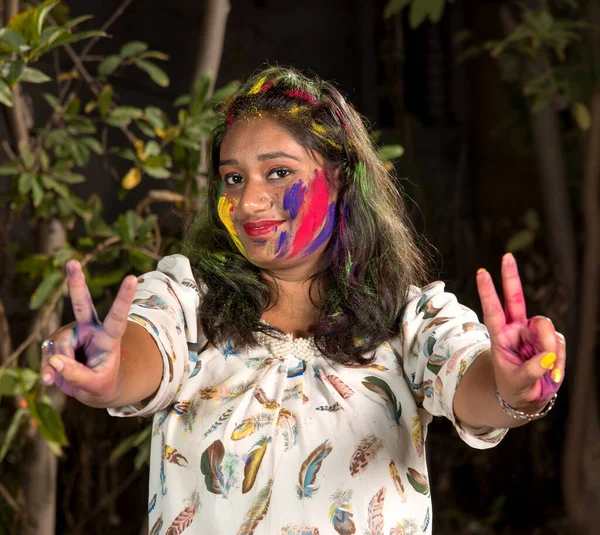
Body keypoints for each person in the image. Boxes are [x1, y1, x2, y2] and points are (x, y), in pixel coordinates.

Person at [42, 66, 565, 535]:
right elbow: (142, 349)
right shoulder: (186, 299)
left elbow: (469, 381)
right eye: (232, 178)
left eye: (278, 172)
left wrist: (511, 384)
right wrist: (105, 366)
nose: (247, 202)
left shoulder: (407, 317)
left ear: (338, 178)